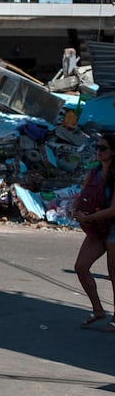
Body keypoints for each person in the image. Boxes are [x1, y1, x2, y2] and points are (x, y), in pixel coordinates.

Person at [71, 132, 115, 330]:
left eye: (103, 148)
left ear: (113, 152)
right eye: (97, 147)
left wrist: (86, 218)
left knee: (113, 274)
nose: (98, 151)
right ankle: (98, 310)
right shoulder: (95, 171)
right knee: (81, 266)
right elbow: (83, 194)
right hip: (98, 227)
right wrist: (76, 208)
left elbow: (114, 210)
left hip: (112, 226)